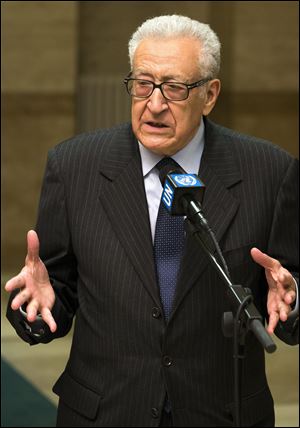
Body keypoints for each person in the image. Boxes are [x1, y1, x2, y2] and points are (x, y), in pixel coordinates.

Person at [5, 14, 298, 427]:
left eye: (174, 88)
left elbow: (289, 292)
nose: (154, 104)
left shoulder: (269, 172)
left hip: (222, 414)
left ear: (210, 94)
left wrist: (293, 299)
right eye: (143, 84)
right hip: (105, 413)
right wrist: (35, 308)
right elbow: (55, 292)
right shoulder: (74, 167)